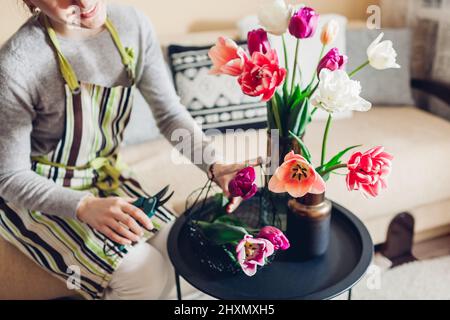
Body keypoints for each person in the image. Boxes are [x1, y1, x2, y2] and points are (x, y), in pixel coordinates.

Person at [0, 0, 259, 299]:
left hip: (105, 175)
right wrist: (84, 206)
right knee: (145, 272)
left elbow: (169, 114)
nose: (83, 2)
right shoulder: (17, 64)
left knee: (184, 251)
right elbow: (10, 177)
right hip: (39, 193)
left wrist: (214, 165)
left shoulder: (131, 25)